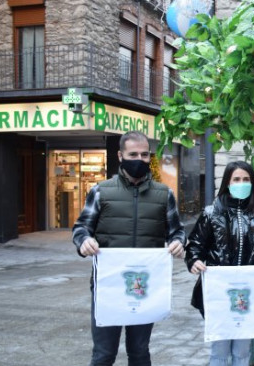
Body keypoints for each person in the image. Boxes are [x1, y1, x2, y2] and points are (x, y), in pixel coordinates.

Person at [72, 131, 186, 366]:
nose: (139, 159)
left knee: (139, 352)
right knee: (103, 354)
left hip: (145, 288)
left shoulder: (164, 195)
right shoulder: (100, 191)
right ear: (120, 155)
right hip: (108, 287)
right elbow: (81, 228)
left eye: (145, 154)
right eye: (133, 154)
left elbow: (177, 231)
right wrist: (84, 241)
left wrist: (178, 242)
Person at [185, 161, 254, 366]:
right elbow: (195, 245)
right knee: (219, 350)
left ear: (253, 183)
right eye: (236, 179)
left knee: (242, 351)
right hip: (217, 293)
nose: (241, 183)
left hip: (249, 292)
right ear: (227, 183)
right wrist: (194, 261)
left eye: (246, 179)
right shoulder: (211, 213)